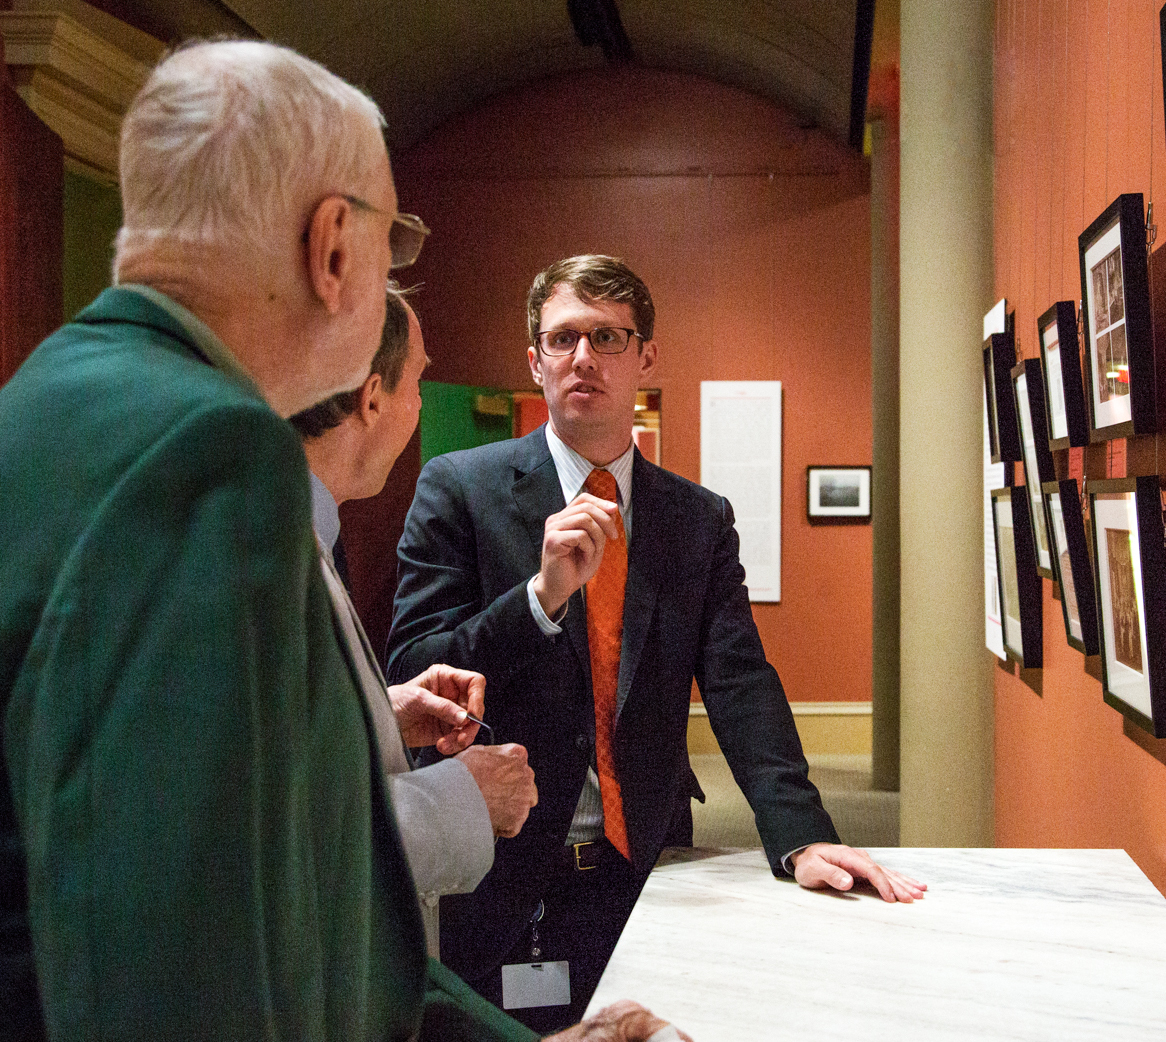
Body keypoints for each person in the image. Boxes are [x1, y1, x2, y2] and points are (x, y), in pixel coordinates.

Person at [0, 40, 677, 1042]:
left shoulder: (52, 394)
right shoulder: (209, 448)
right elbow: (216, 964)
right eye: (394, 243)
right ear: (332, 248)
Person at [388, 254, 925, 1030]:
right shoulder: (458, 489)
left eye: (607, 337)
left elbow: (740, 683)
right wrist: (538, 601)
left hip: (648, 868)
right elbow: (414, 672)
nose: (584, 358)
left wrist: (800, 835)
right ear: (532, 360)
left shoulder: (695, 518)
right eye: (564, 337)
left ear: (645, 357)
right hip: (500, 876)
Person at [292, 287, 541, 957]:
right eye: (420, 381)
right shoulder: (258, 559)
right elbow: (262, 840)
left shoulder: (306, 529)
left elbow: (283, 738)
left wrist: (383, 709)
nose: (423, 406)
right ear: (373, 398)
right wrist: (463, 799)